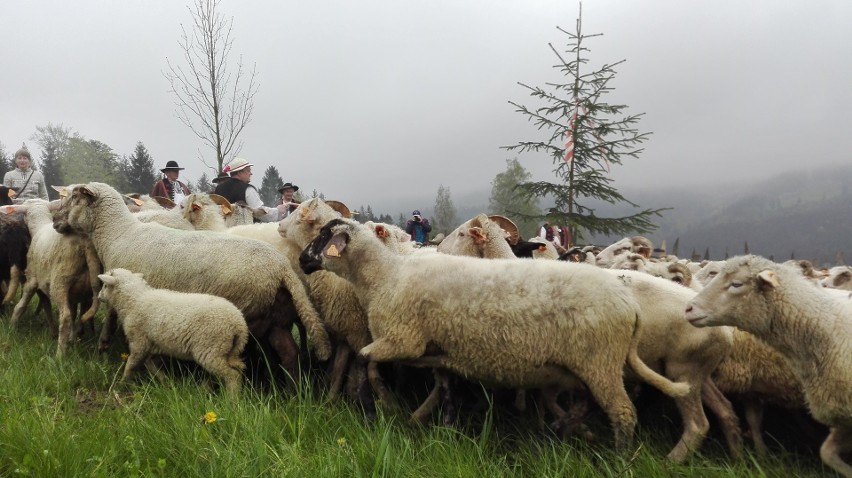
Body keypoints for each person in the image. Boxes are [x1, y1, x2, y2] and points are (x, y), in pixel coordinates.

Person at [213, 158, 279, 222]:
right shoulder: (247, 189)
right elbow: (261, 213)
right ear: (239, 172)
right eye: (248, 171)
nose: (251, 173)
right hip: (243, 231)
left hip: (223, 231)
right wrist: (278, 211)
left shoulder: (218, 189)